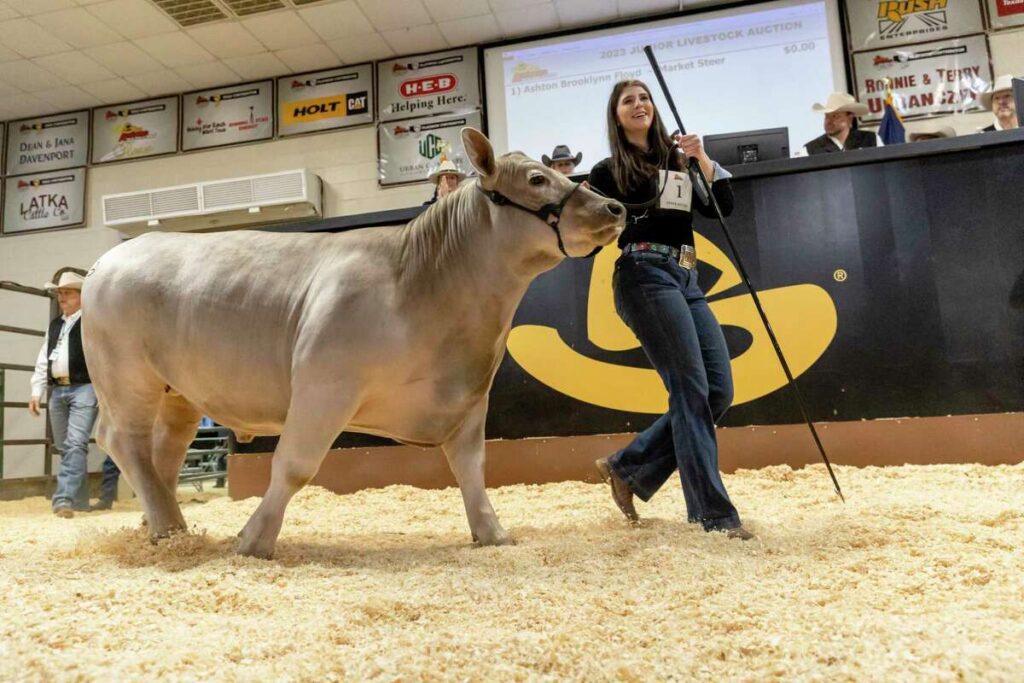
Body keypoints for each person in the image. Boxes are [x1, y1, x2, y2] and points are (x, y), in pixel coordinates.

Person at [587, 79, 753, 540]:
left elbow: (723, 208)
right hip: (643, 272)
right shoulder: (607, 171)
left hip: (686, 276)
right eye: (627, 101)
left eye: (644, 98)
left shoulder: (681, 160)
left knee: (717, 391)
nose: (638, 105)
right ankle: (714, 517)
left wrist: (702, 159)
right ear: (616, 116)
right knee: (691, 390)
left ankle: (628, 466)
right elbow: (585, 239)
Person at [28, 271, 120, 517]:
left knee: (75, 444)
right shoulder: (56, 324)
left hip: (85, 388)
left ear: (81, 296)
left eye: (68, 293)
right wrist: (37, 391)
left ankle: (63, 500)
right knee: (66, 447)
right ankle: (79, 503)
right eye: (60, 293)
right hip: (57, 389)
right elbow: (43, 358)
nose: (62, 297)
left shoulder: (92, 322)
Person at [798, 92, 883, 156]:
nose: (829, 121)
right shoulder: (809, 150)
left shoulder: (871, 140)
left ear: (849, 118)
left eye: (835, 116)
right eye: (827, 116)